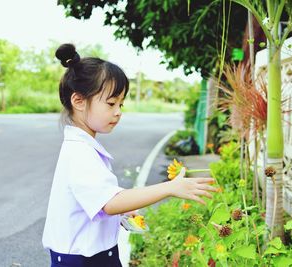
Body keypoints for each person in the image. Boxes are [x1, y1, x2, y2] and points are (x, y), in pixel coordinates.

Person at [42, 43, 217, 267]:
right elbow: (109, 203)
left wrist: (124, 207)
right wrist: (170, 187)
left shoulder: (83, 147)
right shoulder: (79, 153)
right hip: (82, 261)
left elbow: (100, 200)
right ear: (78, 101)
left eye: (121, 104)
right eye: (111, 103)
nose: (118, 112)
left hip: (94, 256)